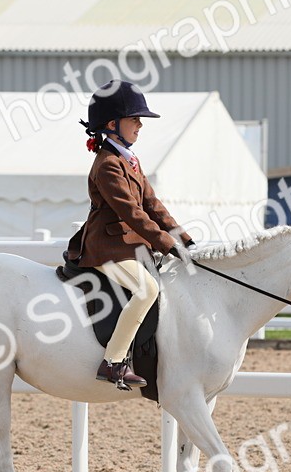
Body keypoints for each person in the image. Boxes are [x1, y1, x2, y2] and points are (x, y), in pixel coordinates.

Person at [65, 80, 194, 389]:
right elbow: (131, 213)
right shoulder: (108, 164)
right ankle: (113, 362)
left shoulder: (129, 160)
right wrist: (165, 243)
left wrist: (183, 237)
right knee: (146, 290)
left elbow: (152, 204)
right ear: (112, 124)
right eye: (134, 119)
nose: (139, 125)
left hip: (128, 246)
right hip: (105, 247)